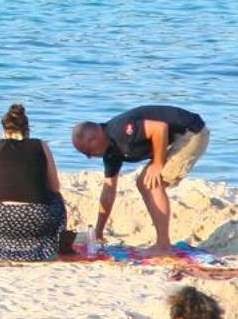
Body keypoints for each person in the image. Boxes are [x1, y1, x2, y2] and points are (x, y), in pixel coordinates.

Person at [71, 105, 209, 254]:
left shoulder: (120, 130)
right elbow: (108, 191)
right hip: (177, 137)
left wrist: (158, 163)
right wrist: (98, 232)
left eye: (86, 151)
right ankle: (163, 243)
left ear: (94, 139)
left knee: (151, 184)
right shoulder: (111, 152)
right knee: (144, 183)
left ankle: (163, 245)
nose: (89, 157)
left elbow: (159, 128)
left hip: (192, 133)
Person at [0, 103, 68, 262]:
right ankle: (46, 247)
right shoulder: (41, 145)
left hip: (2, 220)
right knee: (57, 199)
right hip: (38, 219)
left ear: (4, 131)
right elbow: (55, 187)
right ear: (28, 130)